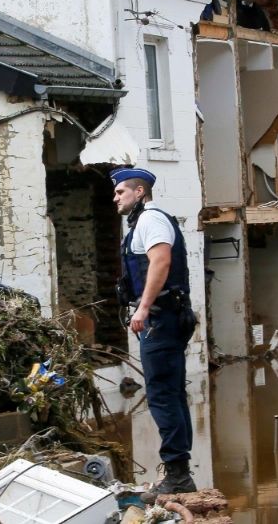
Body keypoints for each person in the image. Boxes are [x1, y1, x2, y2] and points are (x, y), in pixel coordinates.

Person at [111, 167, 197, 500]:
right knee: (171, 393)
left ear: (140, 192)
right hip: (165, 318)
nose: (116, 197)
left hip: (161, 319)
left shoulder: (151, 220)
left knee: (162, 394)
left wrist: (143, 308)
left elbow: (160, 262)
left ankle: (177, 474)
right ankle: (180, 471)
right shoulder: (142, 222)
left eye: (121, 192)